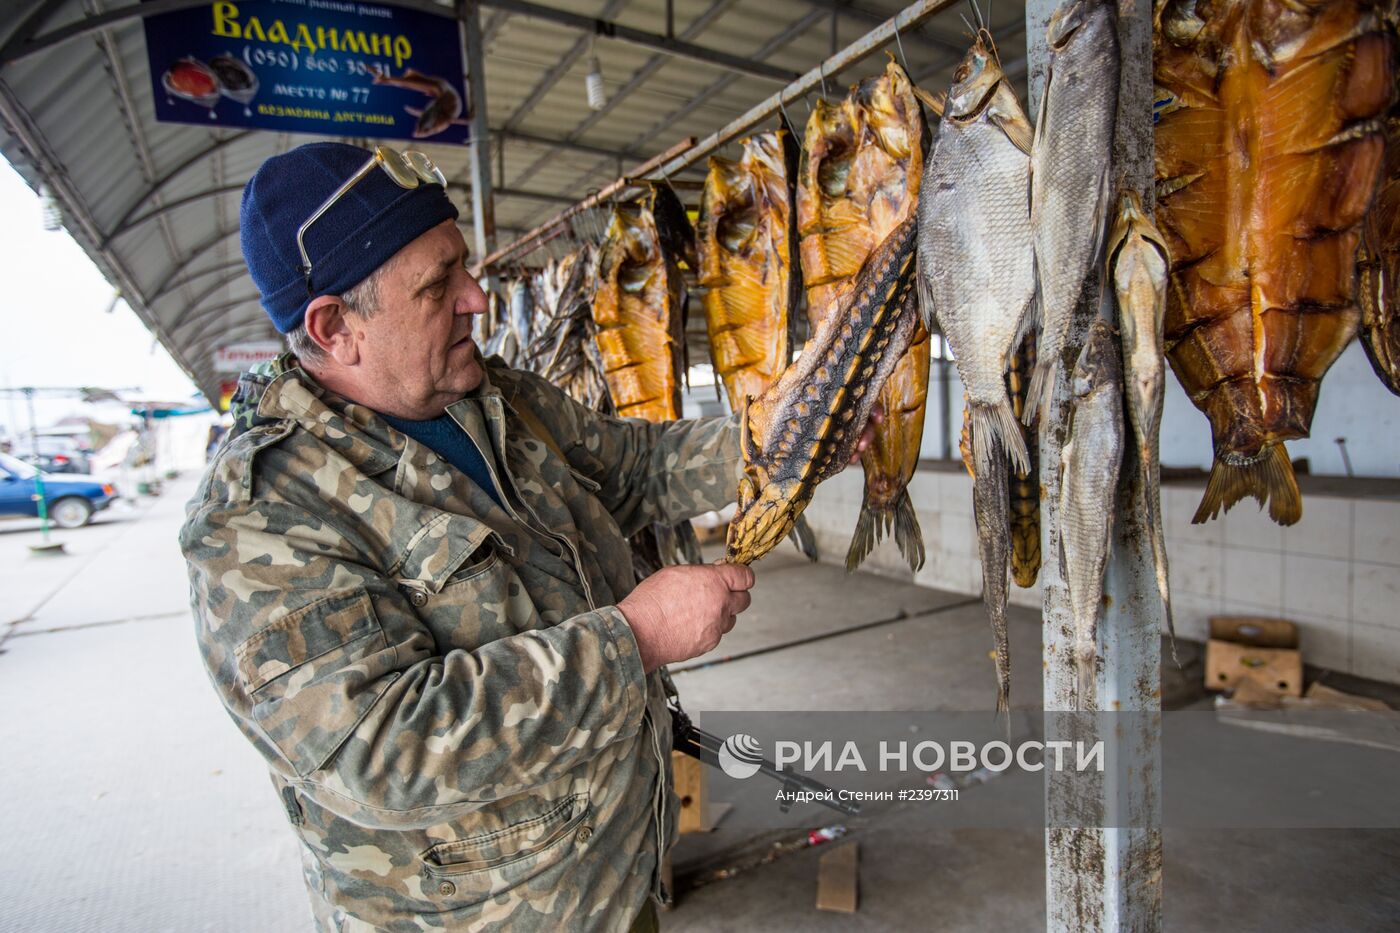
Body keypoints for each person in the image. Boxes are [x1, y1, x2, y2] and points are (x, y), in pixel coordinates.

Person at [180, 142, 874, 932]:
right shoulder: (259, 517)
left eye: (464, 267)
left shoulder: (495, 397)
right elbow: (381, 749)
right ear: (336, 326)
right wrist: (635, 638)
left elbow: (633, 467)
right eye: (438, 284)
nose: (476, 298)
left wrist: (774, 445)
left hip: (617, 876)